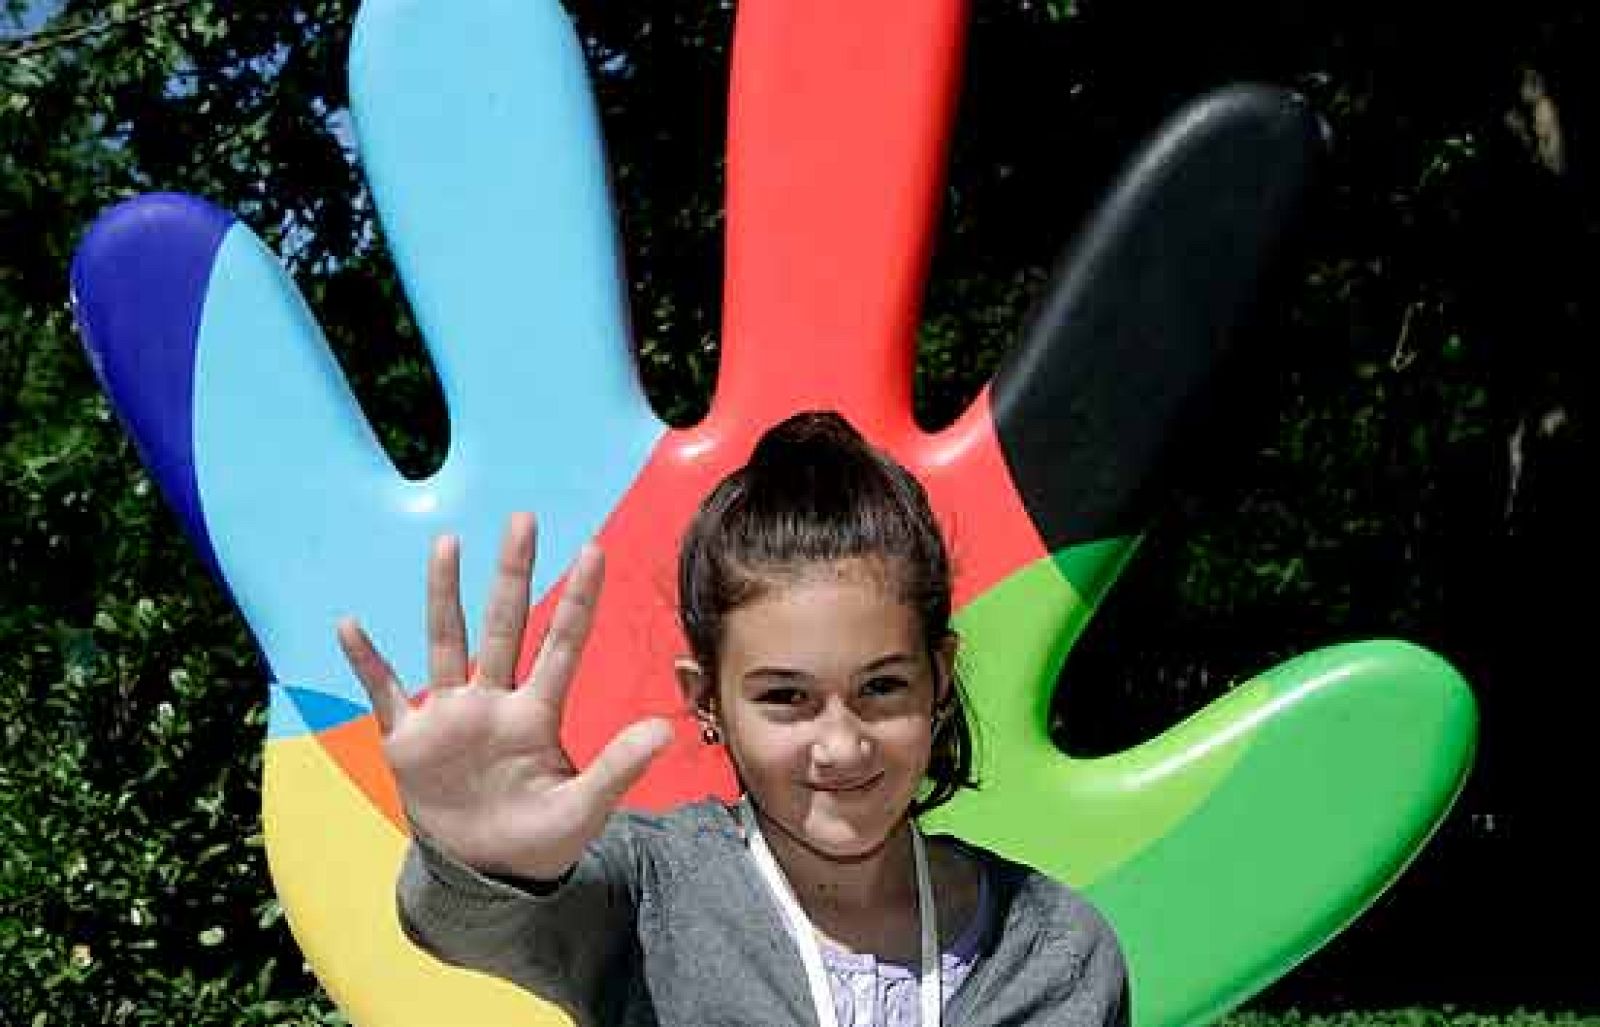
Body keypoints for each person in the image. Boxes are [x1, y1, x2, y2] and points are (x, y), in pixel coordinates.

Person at [337, 411, 1129, 1027]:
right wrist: (480, 860)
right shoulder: (649, 889)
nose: (842, 744)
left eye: (882, 687)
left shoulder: (1056, 949)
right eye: (786, 696)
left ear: (940, 674)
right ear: (706, 698)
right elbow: (464, 924)